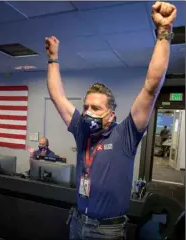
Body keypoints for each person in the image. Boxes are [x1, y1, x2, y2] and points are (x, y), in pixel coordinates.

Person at [44, 2, 176, 239]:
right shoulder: (81, 131)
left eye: (95, 108)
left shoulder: (126, 133)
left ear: (111, 115)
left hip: (108, 231)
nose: (87, 112)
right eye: (85, 107)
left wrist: (164, 33)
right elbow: (57, 97)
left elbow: (150, 87)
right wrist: (53, 59)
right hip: (77, 222)